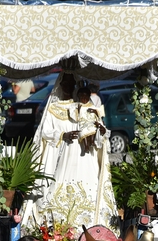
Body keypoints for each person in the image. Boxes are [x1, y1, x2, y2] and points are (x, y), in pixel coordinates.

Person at [29, 75, 118, 229]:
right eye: (66, 83)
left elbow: (98, 131)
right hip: (63, 154)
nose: (68, 87)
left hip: (85, 154)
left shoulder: (87, 107)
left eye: (72, 84)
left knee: (89, 188)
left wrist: (100, 132)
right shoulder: (53, 108)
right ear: (60, 85)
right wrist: (64, 135)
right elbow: (46, 132)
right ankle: (58, 227)